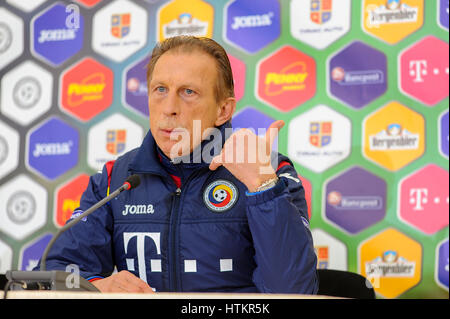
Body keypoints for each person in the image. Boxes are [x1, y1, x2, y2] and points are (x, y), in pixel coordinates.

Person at [36, 36, 318, 294]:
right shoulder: (115, 178)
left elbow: (294, 291)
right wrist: (97, 285)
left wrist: (263, 188)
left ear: (223, 110)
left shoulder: (269, 173)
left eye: (188, 92)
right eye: (160, 89)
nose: (169, 107)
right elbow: (50, 275)